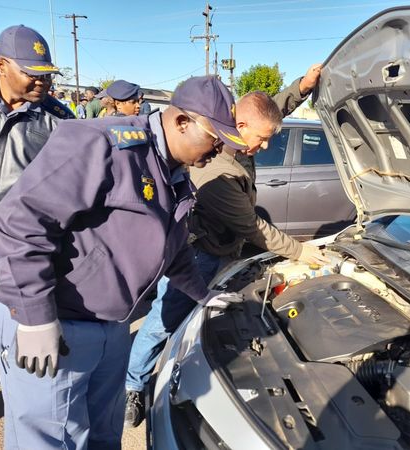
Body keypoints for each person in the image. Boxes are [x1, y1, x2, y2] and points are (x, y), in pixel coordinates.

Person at [0, 76, 245, 449]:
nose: (220, 148)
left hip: (109, 327)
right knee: (49, 441)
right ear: (181, 121)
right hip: (55, 323)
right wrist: (35, 316)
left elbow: (173, 251)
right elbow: (19, 222)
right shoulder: (102, 143)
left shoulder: (175, 175)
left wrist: (203, 295)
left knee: (103, 435)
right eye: (215, 137)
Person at [124, 64, 328, 427]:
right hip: (200, 256)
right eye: (261, 140)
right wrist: (301, 252)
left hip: (226, 252)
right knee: (162, 322)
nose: (263, 147)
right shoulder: (216, 170)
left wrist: (302, 87)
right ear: (240, 129)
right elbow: (254, 228)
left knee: (202, 322)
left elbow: (269, 110)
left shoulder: (242, 132)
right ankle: (133, 386)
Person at [0, 25, 73, 395]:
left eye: (46, 75)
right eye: (31, 73)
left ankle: (2, 364)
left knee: (18, 305)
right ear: (1, 65)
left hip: (22, 234)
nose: (42, 82)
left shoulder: (58, 120)